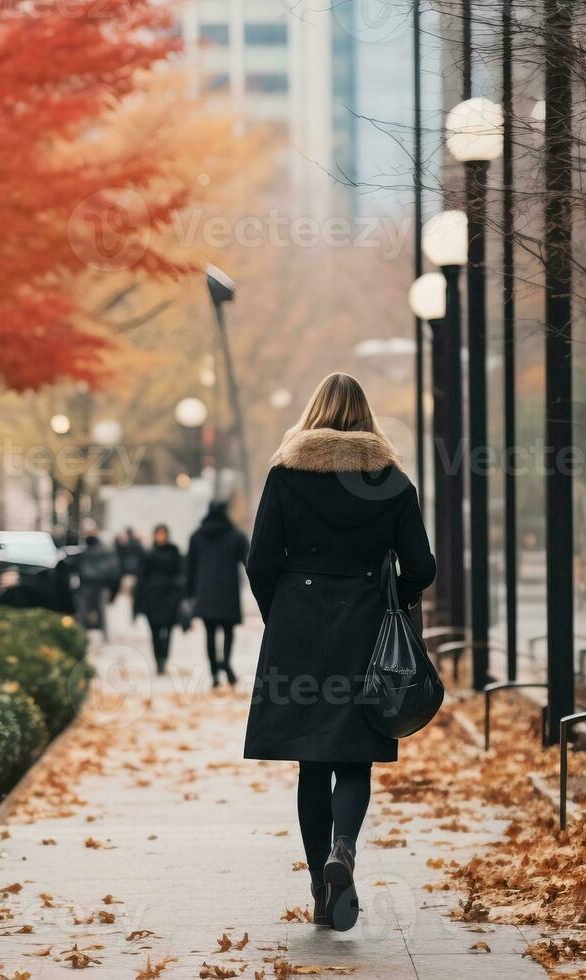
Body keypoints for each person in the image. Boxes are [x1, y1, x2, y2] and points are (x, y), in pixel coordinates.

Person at [243, 373, 435, 933]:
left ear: (314, 412)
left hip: (298, 629)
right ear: (366, 417)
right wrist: (392, 596)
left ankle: (320, 893)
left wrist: (277, 614)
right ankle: (344, 852)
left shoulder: (286, 475)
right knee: (355, 754)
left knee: (312, 761)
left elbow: (260, 561)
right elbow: (421, 565)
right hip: (365, 627)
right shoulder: (392, 482)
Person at [186, 500, 248, 687]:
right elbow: (249, 561)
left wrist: (190, 593)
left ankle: (214, 674)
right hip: (228, 591)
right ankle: (226, 664)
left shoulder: (197, 536)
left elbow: (189, 567)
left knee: (210, 633)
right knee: (228, 632)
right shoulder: (236, 536)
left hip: (205, 591)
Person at [134, 524, 184, 674]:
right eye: (158, 534)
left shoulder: (174, 552)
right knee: (155, 632)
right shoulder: (148, 554)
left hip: (169, 599)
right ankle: (158, 662)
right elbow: (141, 579)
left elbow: (180, 573)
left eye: (163, 534)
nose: (161, 537)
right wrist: (139, 604)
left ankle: (164, 658)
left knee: (168, 632)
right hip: (153, 600)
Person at [72, 526, 120, 634]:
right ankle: (96, 636)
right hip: (93, 585)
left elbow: (111, 570)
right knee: (89, 613)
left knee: (88, 613)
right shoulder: (100, 550)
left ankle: (84, 636)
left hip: (94, 586)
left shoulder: (91, 551)